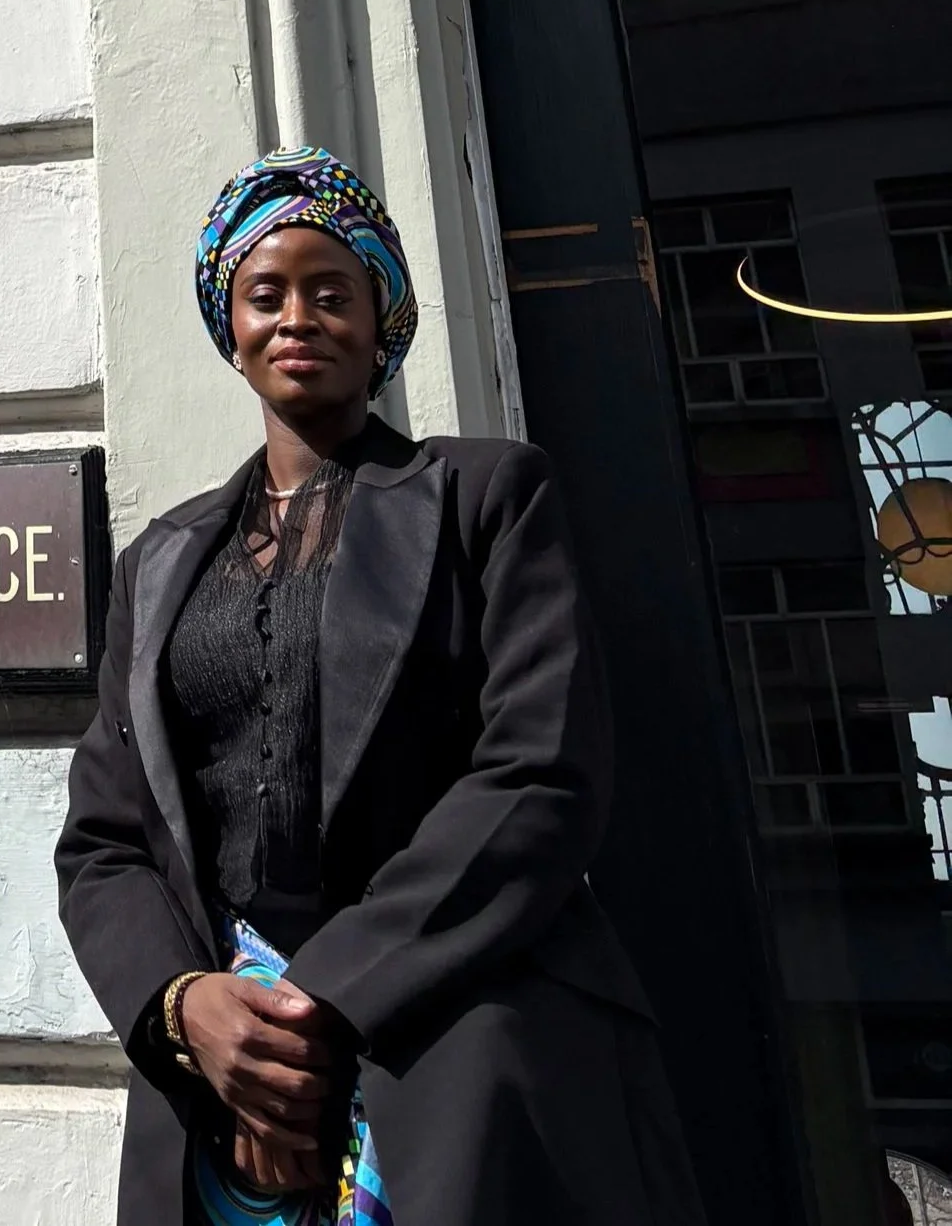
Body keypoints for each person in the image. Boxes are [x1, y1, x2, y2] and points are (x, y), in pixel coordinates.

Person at [55, 147, 704, 1225]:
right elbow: (105, 836)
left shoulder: (485, 498)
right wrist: (187, 1006)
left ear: (380, 316)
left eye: (331, 290)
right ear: (232, 327)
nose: (298, 316)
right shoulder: (157, 563)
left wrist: (327, 995)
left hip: (459, 1034)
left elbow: (538, 772)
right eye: (266, 295)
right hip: (220, 1091)